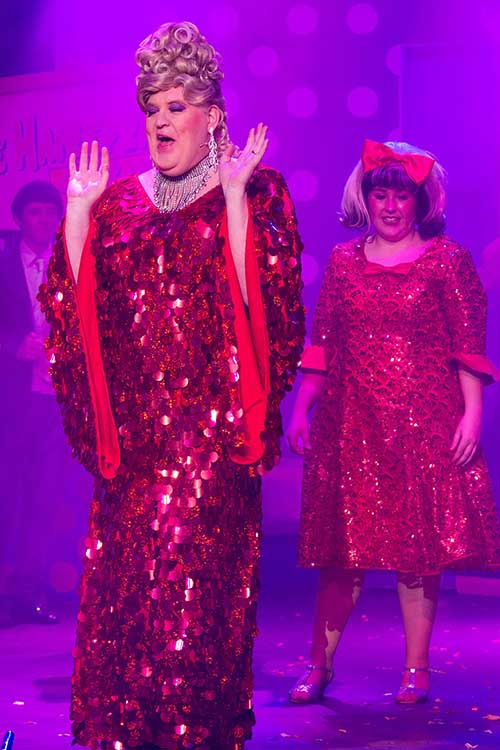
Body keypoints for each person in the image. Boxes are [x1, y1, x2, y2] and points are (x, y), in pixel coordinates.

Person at [39, 21, 305, 750]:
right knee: (129, 608)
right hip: (136, 447)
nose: (161, 119)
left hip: (210, 448)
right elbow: (76, 302)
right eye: (152, 106)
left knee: (194, 616)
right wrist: (76, 210)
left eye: (178, 104)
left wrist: (237, 200)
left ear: (214, 112)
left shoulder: (254, 190)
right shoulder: (120, 203)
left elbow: (268, 308)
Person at [287, 139, 500, 705]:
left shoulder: (447, 261)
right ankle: (318, 666)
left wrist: (473, 416)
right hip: (352, 426)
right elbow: (323, 345)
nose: (388, 206)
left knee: (417, 553)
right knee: (341, 554)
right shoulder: (341, 262)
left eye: (399, 196)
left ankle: (416, 670)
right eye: (379, 194)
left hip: (424, 426)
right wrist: (303, 405)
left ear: (419, 202)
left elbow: (469, 348)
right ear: (366, 198)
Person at [0, 180, 66, 625]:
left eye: (50, 212)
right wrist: (10, 346)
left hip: (55, 398)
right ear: (19, 218)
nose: (43, 220)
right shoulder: (3, 263)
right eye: (35, 212)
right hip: (12, 400)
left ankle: (33, 589)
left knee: (47, 495)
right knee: (9, 494)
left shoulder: (69, 262)